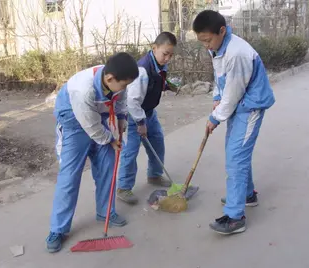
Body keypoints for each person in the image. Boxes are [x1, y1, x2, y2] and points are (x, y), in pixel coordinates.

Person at [46, 52, 139, 253]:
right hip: (73, 123)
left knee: (108, 167)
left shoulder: (116, 80)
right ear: (109, 79)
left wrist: (122, 119)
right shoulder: (83, 89)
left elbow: (121, 99)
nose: (124, 88)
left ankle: (106, 213)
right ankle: (58, 229)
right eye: (123, 84)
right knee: (69, 177)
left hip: (101, 119)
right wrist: (111, 140)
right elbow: (92, 127)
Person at [192, 10, 275, 234]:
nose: (206, 46)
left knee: (236, 156)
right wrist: (216, 98)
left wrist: (215, 117)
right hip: (238, 103)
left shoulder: (237, 53)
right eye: (202, 42)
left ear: (222, 30)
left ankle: (235, 216)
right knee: (235, 151)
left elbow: (233, 92)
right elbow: (221, 77)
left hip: (250, 106)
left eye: (208, 40)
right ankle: (247, 194)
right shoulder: (218, 48)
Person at [116, 32, 178, 204]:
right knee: (131, 151)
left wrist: (167, 86)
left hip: (149, 112)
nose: (168, 58)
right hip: (135, 115)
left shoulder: (159, 64)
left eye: (171, 55)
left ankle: (154, 176)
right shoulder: (142, 70)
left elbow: (156, 81)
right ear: (154, 48)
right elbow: (132, 101)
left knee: (157, 142)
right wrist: (141, 123)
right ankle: (124, 187)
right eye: (165, 54)